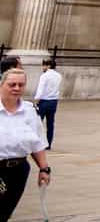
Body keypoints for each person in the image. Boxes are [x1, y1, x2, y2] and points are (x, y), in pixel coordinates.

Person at [0, 67, 50, 219]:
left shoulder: (30, 110)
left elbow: (37, 143)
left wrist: (44, 169)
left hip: (18, 170)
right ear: (2, 84)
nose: (16, 88)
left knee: (5, 212)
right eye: (12, 84)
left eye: (21, 85)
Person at [32, 58, 61, 148]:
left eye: (44, 65)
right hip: (54, 101)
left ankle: (36, 142)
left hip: (44, 101)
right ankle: (48, 143)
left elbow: (40, 89)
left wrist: (36, 100)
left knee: (38, 123)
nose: (43, 67)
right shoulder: (58, 76)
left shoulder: (44, 76)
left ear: (48, 66)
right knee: (50, 123)